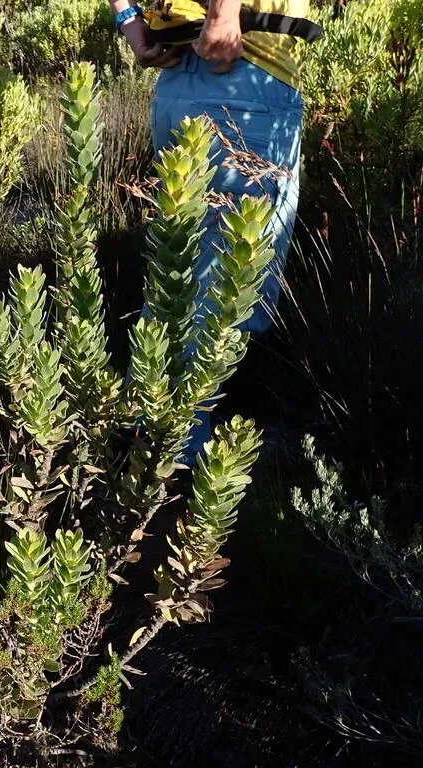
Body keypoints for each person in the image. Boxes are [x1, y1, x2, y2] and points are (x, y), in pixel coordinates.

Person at [109, 0, 313, 456]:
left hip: (179, 75)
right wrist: (223, 14)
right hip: (242, 69)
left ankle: (142, 426)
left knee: (179, 263)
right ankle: (177, 449)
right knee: (231, 275)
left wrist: (129, 20)